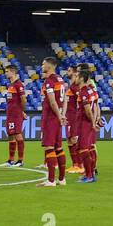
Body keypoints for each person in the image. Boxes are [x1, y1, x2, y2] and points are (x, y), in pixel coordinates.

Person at [38, 56, 68, 186]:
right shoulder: (60, 80)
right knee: (59, 148)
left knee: (49, 147)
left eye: (43, 64)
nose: (41, 66)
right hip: (57, 117)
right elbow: (65, 99)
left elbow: (51, 101)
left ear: (49, 66)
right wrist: (62, 114)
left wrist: (58, 115)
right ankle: (61, 179)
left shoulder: (49, 81)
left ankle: (51, 180)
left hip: (50, 118)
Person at [75, 63, 102, 184]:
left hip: (84, 123)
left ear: (81, 78)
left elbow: (87, 110)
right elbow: (96, 106)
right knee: (88, 148)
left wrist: (92, 122)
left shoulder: (84, 92)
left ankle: (89, 175)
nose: (74, 78)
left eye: (76, 76)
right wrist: (96, 120)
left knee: (83, 149)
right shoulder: (92, 90)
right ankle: (89, 173)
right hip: (88, 123)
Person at [2, 65, 27, 168]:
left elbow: (23, 99)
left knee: (17, 134)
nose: (5, 73)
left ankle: (20, 160)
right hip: (10, 114)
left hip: (16, 114)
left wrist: (22, 111)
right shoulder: (11, 85)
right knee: (11, 135)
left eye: (7, 71)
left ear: (12, 72)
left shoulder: (18, 84)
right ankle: (10, 160)